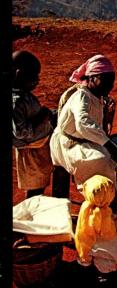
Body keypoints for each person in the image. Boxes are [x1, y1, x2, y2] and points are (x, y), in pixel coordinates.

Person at [50, 54, 117, 192]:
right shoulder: (82, 95)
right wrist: (107, 144)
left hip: (82, 141)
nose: (110, 85)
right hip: (68, 144)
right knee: (102, 161)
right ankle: (99, 199)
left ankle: (102, 196)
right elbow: (83, 123)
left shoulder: (97, 97)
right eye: (105, 80)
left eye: (111, 81)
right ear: (91, 78)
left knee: (110, 159)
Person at [12, 50, 54, 198]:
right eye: (33, 76)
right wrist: (42, 116)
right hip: (31, 150)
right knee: (35, 186)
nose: (37, 80)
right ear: (18, 74)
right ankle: (29, 216)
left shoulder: (24, 96)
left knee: (40, 183)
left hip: (37, 146)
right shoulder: (16, 102)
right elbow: (21, 132)